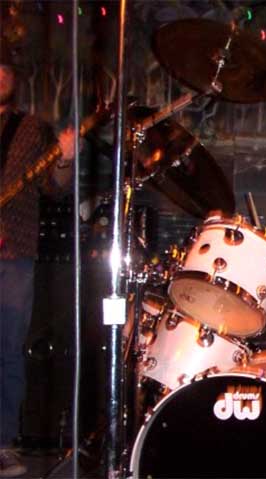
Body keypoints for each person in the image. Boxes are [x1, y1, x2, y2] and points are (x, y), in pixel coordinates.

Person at [0, 45, 78, 477]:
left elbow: (55, 186)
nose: (0, 75)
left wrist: (64, 158)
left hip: (13, 254)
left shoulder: (30, 129)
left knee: (9, 350)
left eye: (6, 69)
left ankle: (3, 443)